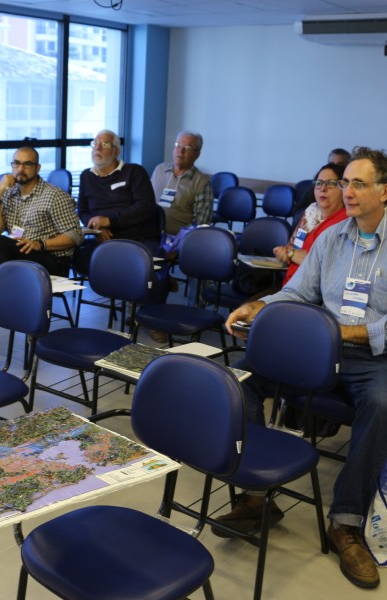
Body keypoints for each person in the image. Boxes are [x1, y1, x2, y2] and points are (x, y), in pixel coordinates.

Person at [223, 146, 387, 590]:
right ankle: (257, 498)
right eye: (342, 182)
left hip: (373, 356)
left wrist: (342, 333)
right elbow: (297, 294)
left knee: (382, 402)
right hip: (316, 345)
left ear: (385, 191)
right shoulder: (332, 238)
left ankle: (346, 523)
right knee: (240, 380)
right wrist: (259, 306)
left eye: (358, 183)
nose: (345, 191)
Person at [75, 130, 168, 343]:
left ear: (116, 151)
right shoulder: (86, 176)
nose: (97, 148)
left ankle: (153, 319)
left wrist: (110, 221)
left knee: (156, 267)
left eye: (104, 144)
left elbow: (146, 207)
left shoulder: (134, 172)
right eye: (95, 143)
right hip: (105, 240)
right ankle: (131, 294)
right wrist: (97, 226)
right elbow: (83, 211)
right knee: (78, 257)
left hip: (139, 238)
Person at [0, 146, 83, 277]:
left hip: (51, 259)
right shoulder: (8, 193)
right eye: (16, 163)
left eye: (27, 164)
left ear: (37, 168)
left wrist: (40, 244)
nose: (20, 169)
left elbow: (75, 235)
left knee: (0, 243)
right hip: (21, 252)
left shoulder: (54, 195)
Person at [274, 162, 347, 286]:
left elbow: (326, 264)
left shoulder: (347, 220)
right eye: (319, 183)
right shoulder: (311, 212)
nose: (323, 188)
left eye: (330, 183)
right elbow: (291, 247)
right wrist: (284, 252)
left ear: (343, 188)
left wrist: (292, 254)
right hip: (292, 283)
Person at [150, 130, 213, 234]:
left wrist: (178, 241)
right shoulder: (159, 170)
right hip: (149, 234)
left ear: (197, 154)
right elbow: (145, 202)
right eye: (178, 145)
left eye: (187, 148)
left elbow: (200, 224)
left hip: (177, 241)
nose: (180, 150)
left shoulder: (202, 183)